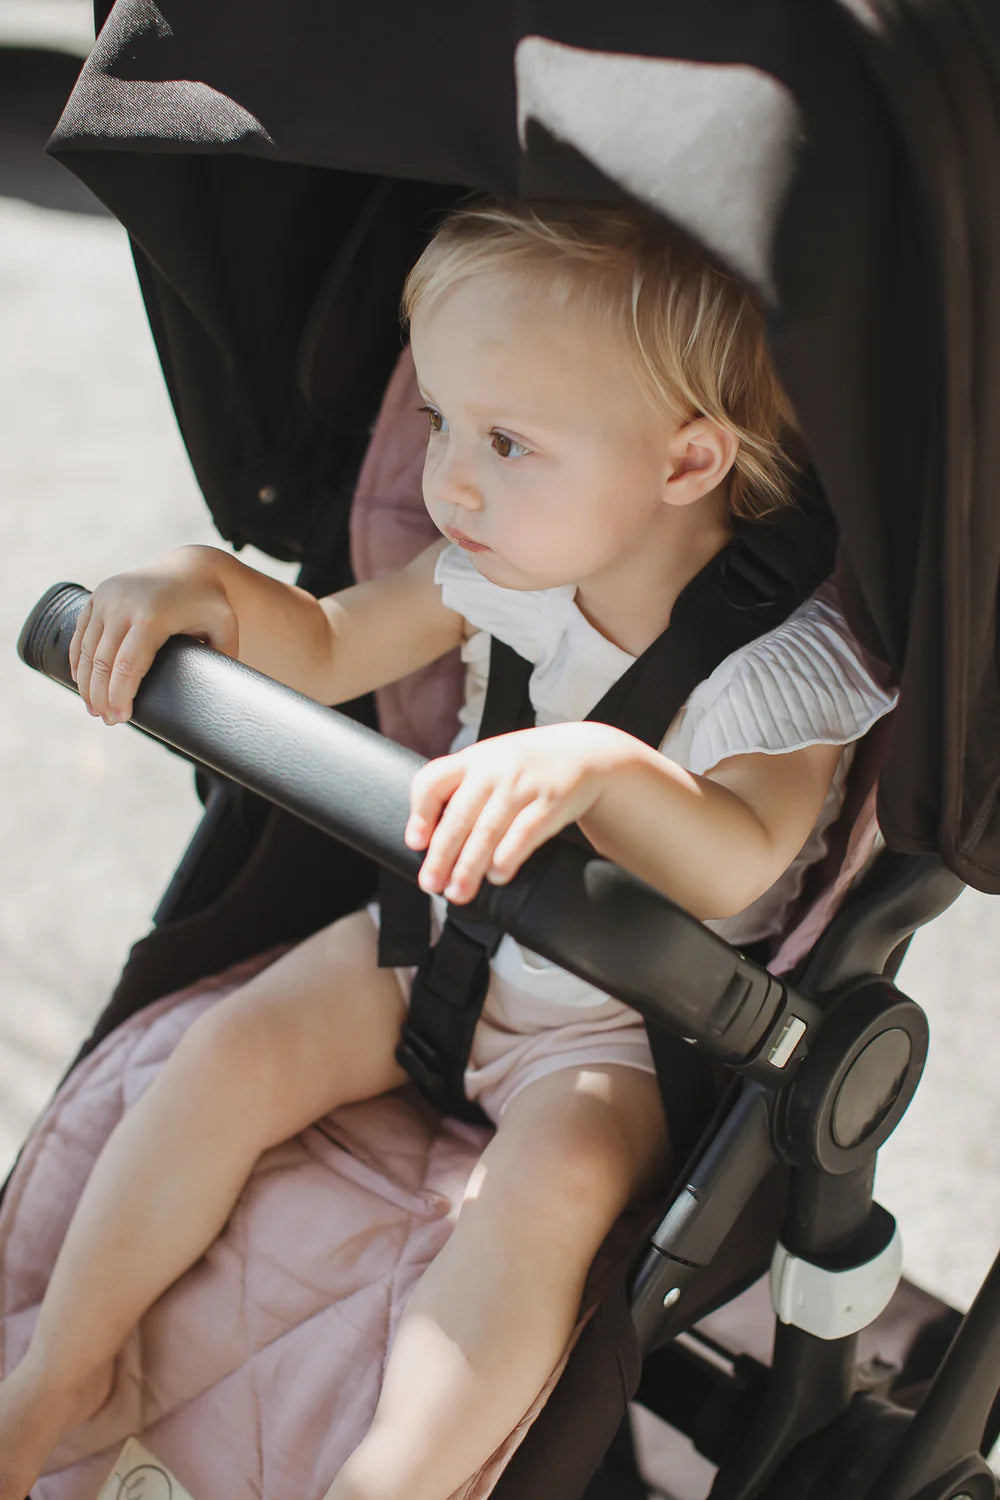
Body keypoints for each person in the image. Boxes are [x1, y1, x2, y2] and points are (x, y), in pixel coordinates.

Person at [0, 198, 895, 1500]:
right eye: (439, 423)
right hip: (433, 943)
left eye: (507, 441)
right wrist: (203, 585)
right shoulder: (503, 562)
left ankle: (388, 1481)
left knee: (549, 1205)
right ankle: (57, 1377)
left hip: (618, 1040)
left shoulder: (781, 669)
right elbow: (325, 645)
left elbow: (741, 863)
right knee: (230, 1051)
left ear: (687, 464)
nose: (450, 481)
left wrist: (601, 766)